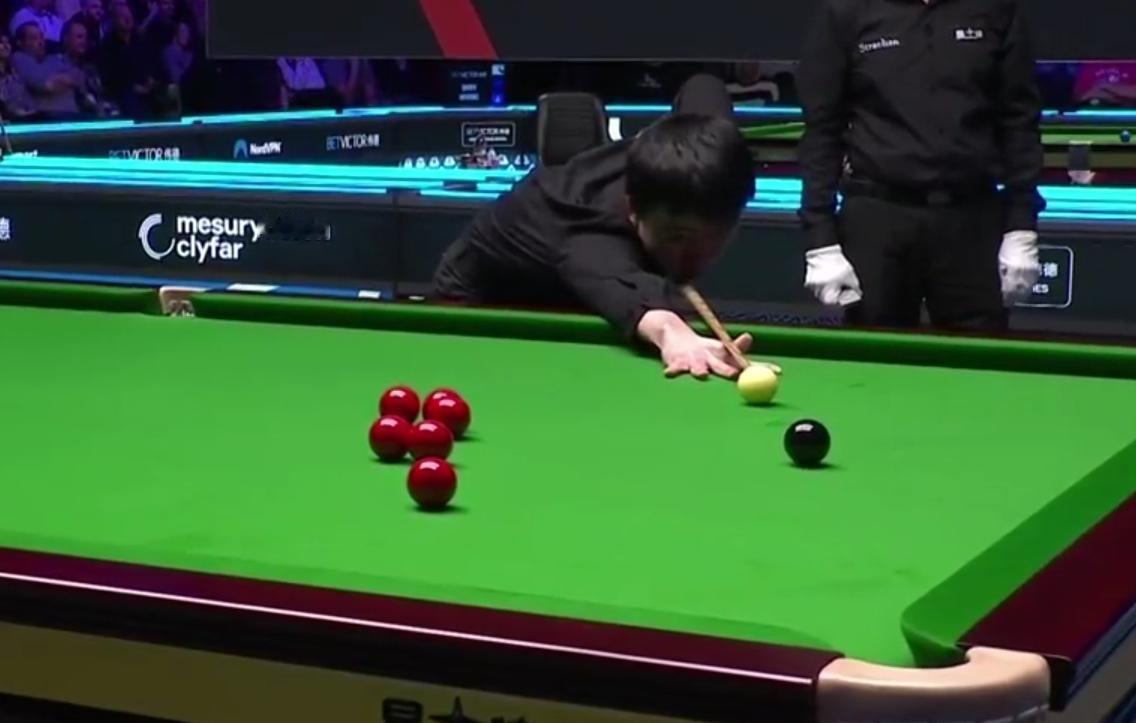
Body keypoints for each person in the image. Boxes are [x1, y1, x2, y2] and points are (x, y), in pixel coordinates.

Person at [432, 74, 757, 380]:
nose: (695, 257)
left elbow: (703, 85)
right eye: (677, 238)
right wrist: (673, 333)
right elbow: (635, 302)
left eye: (714, 237)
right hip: (483, 301)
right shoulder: (591, 238)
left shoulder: (715, 152)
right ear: (633, 210)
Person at [797, 0, 1045, 331]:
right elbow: (822, 131)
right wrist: (821, 240)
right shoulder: (847, 10)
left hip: (971, 218)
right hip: (877, 217)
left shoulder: (997, 8)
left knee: (978, 353)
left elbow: (1020, 123)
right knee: (875, 351)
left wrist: (1021, 226)